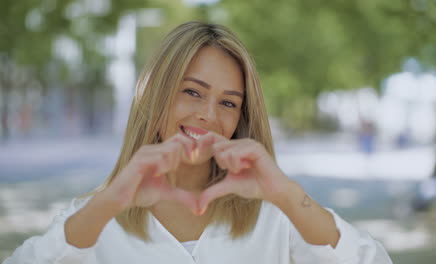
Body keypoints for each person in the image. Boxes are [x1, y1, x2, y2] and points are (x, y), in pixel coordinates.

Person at [3, 21, 392, 264]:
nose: (208, 114)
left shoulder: (275, 217)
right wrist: (108, 203)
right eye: (192, 92)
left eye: (228, 102)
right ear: (156, 96)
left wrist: (289, 196)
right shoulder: (93, 218)